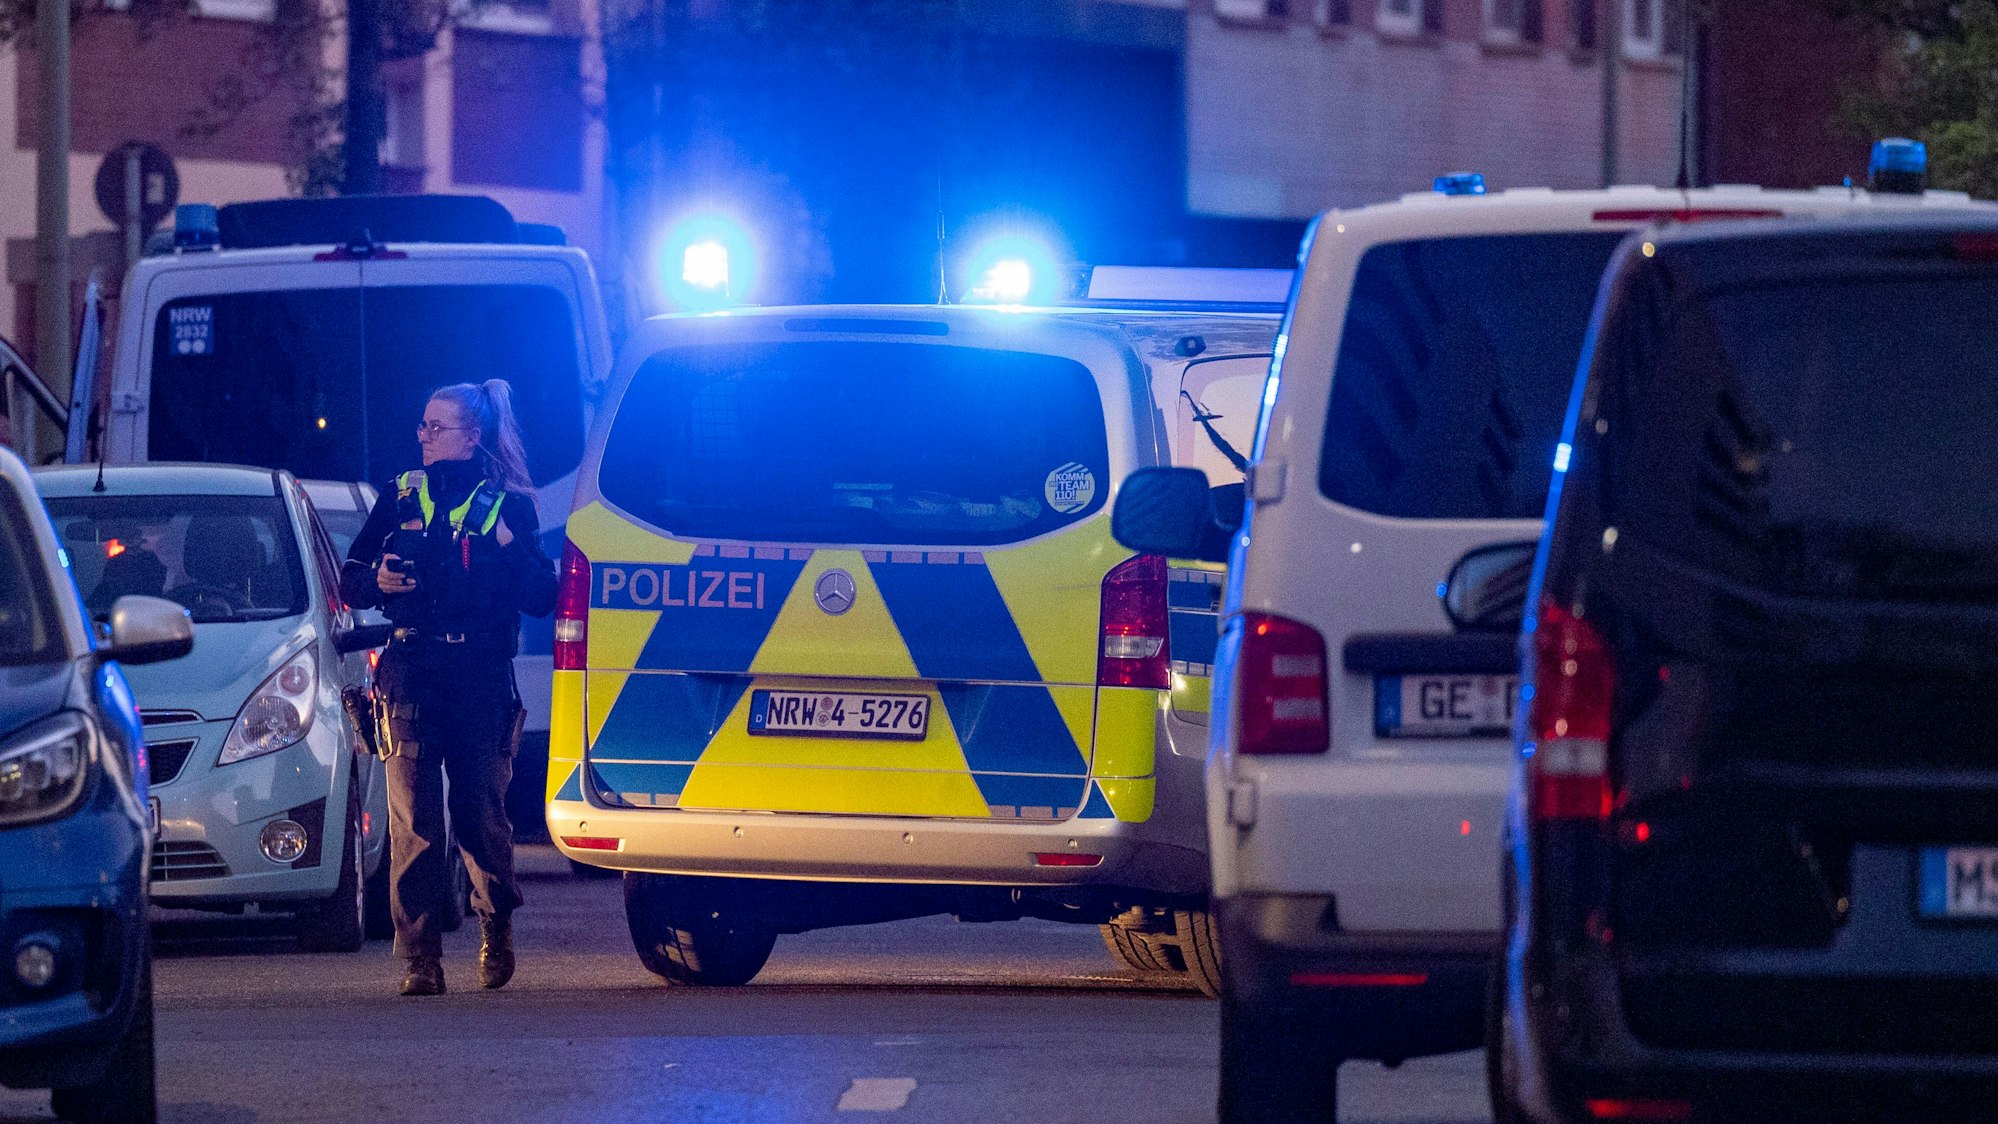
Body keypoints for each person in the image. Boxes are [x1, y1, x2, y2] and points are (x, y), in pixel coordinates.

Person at [341, 380, 557, 996]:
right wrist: (379, 580)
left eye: (437, 427)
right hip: (410, 666)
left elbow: (542, 597)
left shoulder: (508, 505)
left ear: (472, 436)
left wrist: (512, 551)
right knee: (414, 816)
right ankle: (420, 957)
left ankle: (496, 923)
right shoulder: (401, 494)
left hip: (481, 673)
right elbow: (352, 578)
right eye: (422, 426)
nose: (424, 437)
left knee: (478, 812)